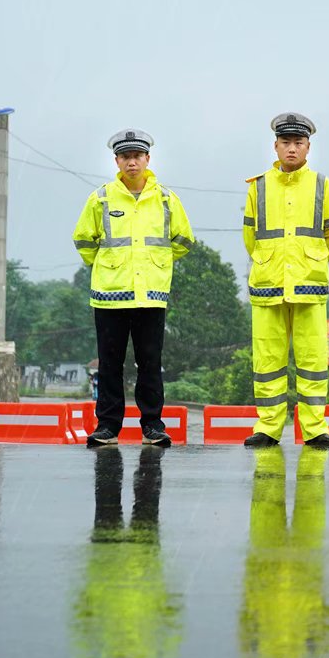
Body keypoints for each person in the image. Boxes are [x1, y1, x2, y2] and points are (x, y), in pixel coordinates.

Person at [72, 128, 195, 448]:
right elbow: (84, 241)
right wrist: (108, 266)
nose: (132, 162)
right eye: (125, 157)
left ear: (147, 159)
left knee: (150, 362)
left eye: (137, 156)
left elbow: (183, 240)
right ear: (117, 161)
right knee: (109, 363)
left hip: (151, 295)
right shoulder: (100, 198)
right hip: (109, 295)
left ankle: (152, 426)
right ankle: (108, 427)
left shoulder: (166, 199)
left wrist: (158, 264)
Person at [241, 113, 329, 448]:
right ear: (275, 145)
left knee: (313, 359)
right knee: (267, 359)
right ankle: (268, 427)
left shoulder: (324, 187)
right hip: (268, 282)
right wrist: (270, 263)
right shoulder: (257, 187)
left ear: (308, 147)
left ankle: (314, 429)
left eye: (298, 142)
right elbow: (250, 236)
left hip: (308, 284)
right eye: (285, 142)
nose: (291, 148)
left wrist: (309, 261)